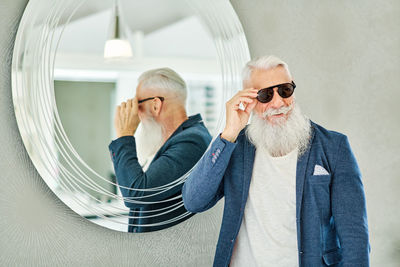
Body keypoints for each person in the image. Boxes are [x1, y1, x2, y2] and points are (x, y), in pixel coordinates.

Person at [182, 56, 370, 266]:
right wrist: (229, 132)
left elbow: (355, 238)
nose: (279, 102)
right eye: (265, 95)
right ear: (249, 100)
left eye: (285, 90)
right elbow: (194, 200)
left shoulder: (334, 146)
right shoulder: (234, 146)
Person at [109, 68, 211, 232]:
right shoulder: (175, 140)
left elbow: (136, 194)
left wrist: (124, 135)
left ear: (156, 105)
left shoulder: (191, 142)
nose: (136, 114)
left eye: (138, 104)